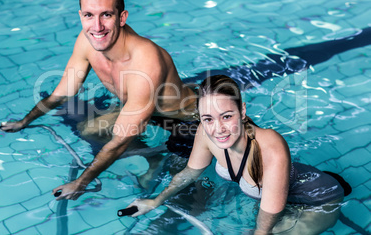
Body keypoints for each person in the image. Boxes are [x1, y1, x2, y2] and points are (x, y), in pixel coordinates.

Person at [0, 0, 199, 200]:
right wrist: (24, 121)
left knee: (186, 188)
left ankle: (164, 159)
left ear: (122, 17)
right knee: (90, 130)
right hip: (149, 110)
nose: (97, 27)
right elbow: (62, 92)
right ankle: (154, 158)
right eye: (89, 15)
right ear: (81, 16)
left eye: (106, 15)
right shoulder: (87, 40)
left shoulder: (145, 61)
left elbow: (121, 139)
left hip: (188, 118)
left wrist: (81, 182)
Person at [128, 75, 349, 234]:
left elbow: (264, 229)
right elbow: (189, 173)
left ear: (242, 111)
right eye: (208, 118)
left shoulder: (270, 147)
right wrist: (155, 201)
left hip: (318, 201)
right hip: (283, 196)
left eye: (226, 116)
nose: (218, 129)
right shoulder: (206, 134)